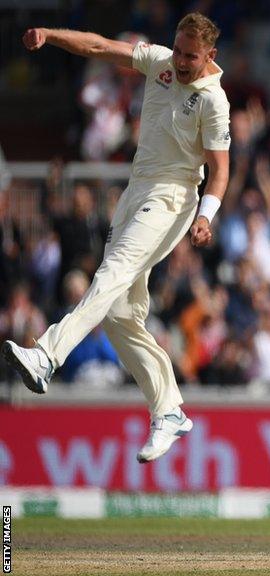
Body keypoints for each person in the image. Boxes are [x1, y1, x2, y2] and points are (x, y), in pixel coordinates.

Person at [4, 13, 231, 463]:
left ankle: (47, 354)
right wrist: (50, 36)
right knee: (120, 312)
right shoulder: (160, 62)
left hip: (173, 197)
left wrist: (207, 215)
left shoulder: (214, 101)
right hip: (136, 192)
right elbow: (98, 46)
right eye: (179, 50)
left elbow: (220, 170)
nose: (183, 62)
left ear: (210, 55)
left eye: (191, 56)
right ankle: (168, 409)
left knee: (112, 271)